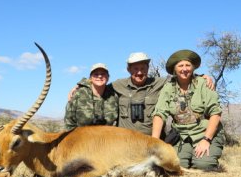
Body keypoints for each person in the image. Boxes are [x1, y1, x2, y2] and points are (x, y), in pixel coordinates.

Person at [68, 52, 214, 136]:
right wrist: (81, 84)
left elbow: (183, 75)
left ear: (148, 68)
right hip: (125, 141)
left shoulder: (160, 83)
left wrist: (201, 76)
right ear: (128, 70)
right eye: (135, 68)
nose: (139, 72)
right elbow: (99, 82)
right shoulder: (118, 85)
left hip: (152, 139)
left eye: (143, 68)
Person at [151, 49, 224, 170]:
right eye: (180, 66)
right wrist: (154, 142)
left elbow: (215, 113)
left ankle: (206, 158)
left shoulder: (204, 83)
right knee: (171, 165)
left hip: (204, 134)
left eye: (188, 65)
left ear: (193, 68)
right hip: (182, 136)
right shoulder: (168, 88)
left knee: (203, 165)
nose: (184, 69)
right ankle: (188, 156)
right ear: (175, 69)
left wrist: (206, 139)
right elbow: (159, 114)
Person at [64, 63, 118, 130]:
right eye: (96, 74)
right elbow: (69, 123)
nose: (100, 76)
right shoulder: (78, 94)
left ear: (108, 77)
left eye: (103, 74)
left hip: (106, 138)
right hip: (82, 138)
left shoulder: (113, 96)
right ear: (90, 78)